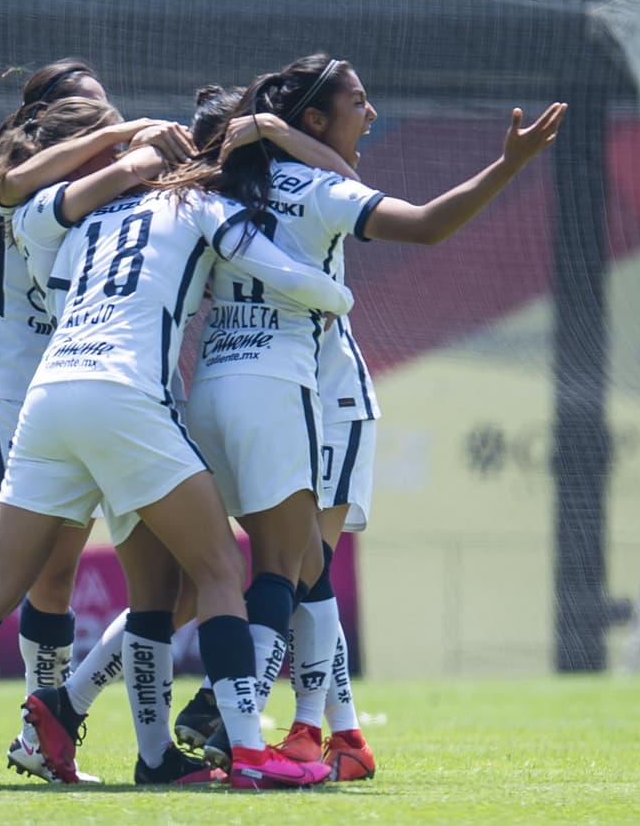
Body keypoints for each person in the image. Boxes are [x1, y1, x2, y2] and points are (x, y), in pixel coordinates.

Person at [0, 84, 349, 790]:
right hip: (125, 398)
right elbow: (298, 280)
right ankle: (245, 749)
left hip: (51, 401)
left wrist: (126, 163)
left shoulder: (77, 218)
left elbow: (31, 212)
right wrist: (338, 296)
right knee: (219, 572)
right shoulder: (207, 206)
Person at [170, 53, 565, 774]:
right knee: (293, 571)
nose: (372, 113)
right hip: (303, 388)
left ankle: (326, 731)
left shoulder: (213, 186)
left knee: (225, 573)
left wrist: (268, 132)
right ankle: (259, 727)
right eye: (358, 101)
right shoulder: (322, 188)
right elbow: (422, 222)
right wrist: (507, 167)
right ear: (314, 120)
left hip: (205, 387)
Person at [8, 85, 369, 785]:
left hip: (88, 395)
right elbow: (342, 215)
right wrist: (339, 297)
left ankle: (82, 714)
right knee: (271, 569)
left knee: (168, 591)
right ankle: (279, 739)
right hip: (159, 401)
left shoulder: (94, 216)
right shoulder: (212, 206)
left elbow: (16, 204)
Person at [0, 59, 195, 786]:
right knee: (3, 576)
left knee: (76, 582)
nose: (108, 119)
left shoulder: (104, 189)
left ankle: (47, 726)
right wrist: (131, 135)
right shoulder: (22, 189)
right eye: (92, 111)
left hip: (88, 397)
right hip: (9, 397)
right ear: (51, 125)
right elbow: (10, 184)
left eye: (112, 106)